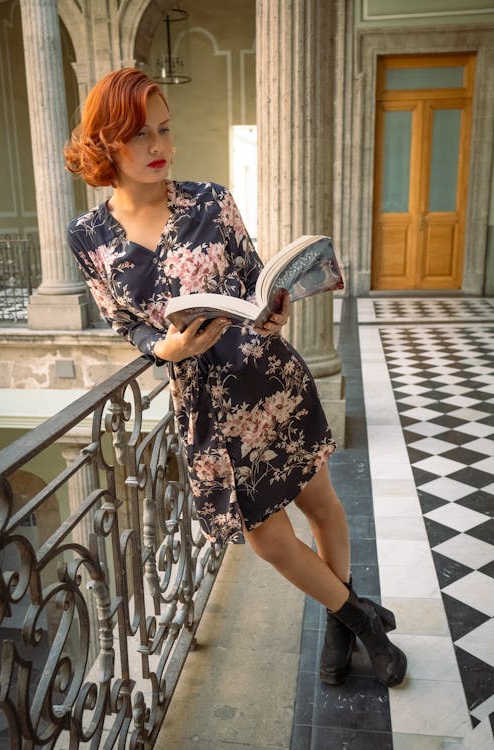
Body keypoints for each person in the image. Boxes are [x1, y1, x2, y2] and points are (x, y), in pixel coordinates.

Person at [64, 67, 406, 688]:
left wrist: (276, 311)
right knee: (270, 542)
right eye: (140, 135)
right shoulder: (87, 236)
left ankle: (339, 620)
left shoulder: (212, 200)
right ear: (106, 142)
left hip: (269, 379)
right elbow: (123, 323)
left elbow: (253, 282)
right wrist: (162, 347)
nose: (159, 147)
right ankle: (362, 619)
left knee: (321, 506)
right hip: (206, 407)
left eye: (165, 130)